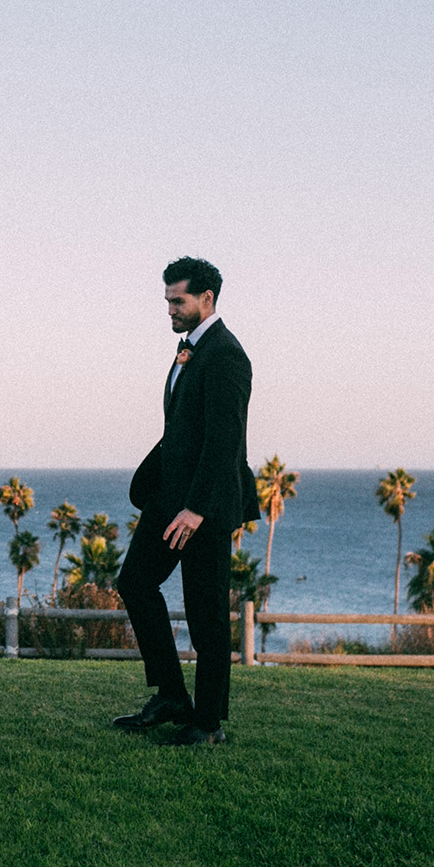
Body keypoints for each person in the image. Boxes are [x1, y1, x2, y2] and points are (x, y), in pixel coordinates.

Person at [113, 257, 259, 745]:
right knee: (134, 582)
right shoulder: (190, 351)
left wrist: (196, 509)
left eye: (178, 301)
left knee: (206, 614)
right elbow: (179, 428)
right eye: (168, 301)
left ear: (207, 300)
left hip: (205, 509)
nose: (171, 309)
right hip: (167, 500)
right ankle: (172, 695)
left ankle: (208, 723)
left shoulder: (227, 355)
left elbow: (224, 441)